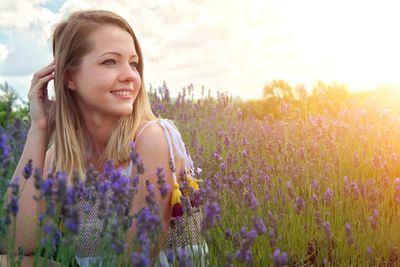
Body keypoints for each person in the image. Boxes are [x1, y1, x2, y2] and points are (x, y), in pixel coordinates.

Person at [0, 10, 205, 267]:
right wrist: (39, 129)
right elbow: (15, 245)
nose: (130, 75)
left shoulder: (152, 139)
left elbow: (136, 260)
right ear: (69, 77)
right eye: (110, 62)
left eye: (133, 63)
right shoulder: (61, 158)